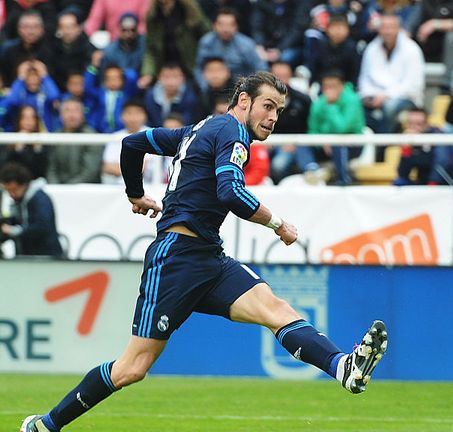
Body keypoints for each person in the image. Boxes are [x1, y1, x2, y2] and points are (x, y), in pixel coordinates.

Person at [19, 71, 388, 432]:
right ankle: (45, 426)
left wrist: (134, 193)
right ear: (243, 100)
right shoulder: (233, 133)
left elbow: (133, 143)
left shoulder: (195, 130)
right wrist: (278, 224)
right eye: (268, 106)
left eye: (278, 110)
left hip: (208, 256)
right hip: (176, 258)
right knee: (131, 368)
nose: (273, 117)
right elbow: (230, 190)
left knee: (276, 309)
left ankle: (343, 367)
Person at [358, 12, 424, 134]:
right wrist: (369, 97)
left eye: (391, 27)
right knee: (355, 105)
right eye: (384, 27)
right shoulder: (371, 49)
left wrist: (386, 96)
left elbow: (412, 86)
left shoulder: (412, 49)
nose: (387, 31)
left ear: (398, 28)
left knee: (390, 107)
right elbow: (364, 80)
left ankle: (382, 149)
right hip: (375, 97)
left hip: (405, 99)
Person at [0, 161, 63, 257]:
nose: (11, 195)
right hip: (28, 255)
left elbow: (42, 227)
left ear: (24, 185)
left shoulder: (40, 199)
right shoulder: (18, 202)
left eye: (14, 190)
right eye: (8, 191)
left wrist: (15, 231)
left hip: (45, 256)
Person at [194, 7, 267, 89]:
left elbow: (261, 68)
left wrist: (249, 89)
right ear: (214, 25)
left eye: (230, 25)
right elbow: (199, 69)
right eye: (221, 24)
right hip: (212, 88)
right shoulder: (206, 42)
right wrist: (205, 87)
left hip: (241, 87)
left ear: (236, 27)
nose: (225, 29)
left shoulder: (246, 44)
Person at [47, 97, 102, 184]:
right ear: (61, 115)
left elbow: (90, 171)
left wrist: (69, 188)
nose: (72, 115)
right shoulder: (55, 136)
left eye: (76, 111)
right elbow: (51, 168)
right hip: (58, 189)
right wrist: (56, 187)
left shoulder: (92, 137)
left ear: (83, 115)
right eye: (67, 111)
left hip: (86, 190)